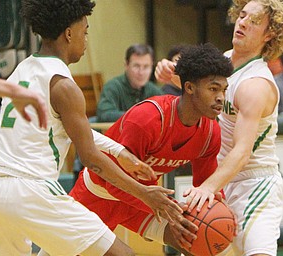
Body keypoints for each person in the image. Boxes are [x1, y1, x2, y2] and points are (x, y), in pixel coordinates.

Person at [0, 1, 184, 255]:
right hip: (32, 190)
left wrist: (121, 152)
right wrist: (144, 193)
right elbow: (91, 158)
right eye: (85, 31)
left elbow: (70, 129)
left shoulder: (21, 70)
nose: (86, 39)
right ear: (69, 33)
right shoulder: (64, 85)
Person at [155, 1, 283, 256]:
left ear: (270, 34)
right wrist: (171, 75)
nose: (243, 22)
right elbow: (196, 91)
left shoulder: (256, 84)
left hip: (254, 183)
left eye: (254, 21)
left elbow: (242, 151)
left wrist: (208, 187)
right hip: (222, 178)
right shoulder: (221, 63)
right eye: (242, 15)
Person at [68, 43, 234, 255]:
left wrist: (219, 207)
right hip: (100, 193)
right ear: (189, 87)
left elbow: (205, 185)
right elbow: (114, 182)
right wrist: (166, 207)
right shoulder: (147, 119)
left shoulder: (211, 133)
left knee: (197, 239)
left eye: (223, 90)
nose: (220, 97)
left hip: (144, 199)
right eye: (213, 89)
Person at [96, 44, 163, 122]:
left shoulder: (154, 90)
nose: (141, 72)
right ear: (126, 65)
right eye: (136, 66)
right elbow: (104, 114)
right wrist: (139, 116)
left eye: (146, 67)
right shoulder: (112, 87)